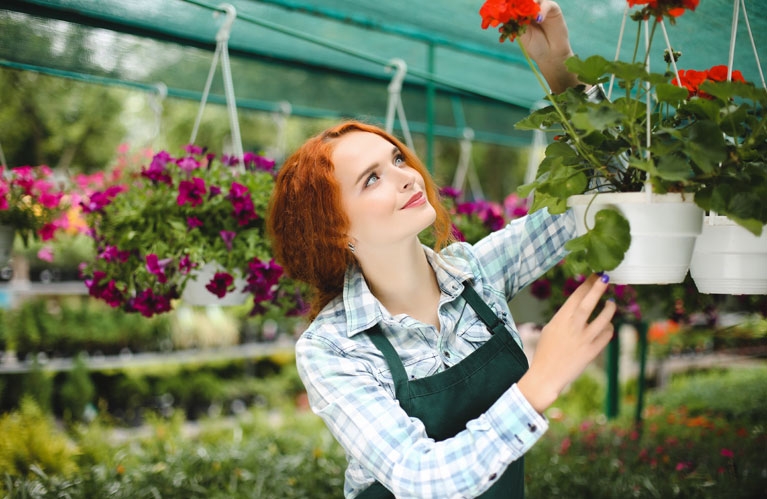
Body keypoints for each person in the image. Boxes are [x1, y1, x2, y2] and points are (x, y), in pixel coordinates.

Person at [267, 1, 616, 497]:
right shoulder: (333, 349)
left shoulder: (477, 272)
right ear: (334, 231)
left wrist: (558, 65)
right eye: (372, 180)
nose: (407, 177)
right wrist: (538, 384)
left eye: (396, 159)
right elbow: (421, 477)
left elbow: (606, 187)